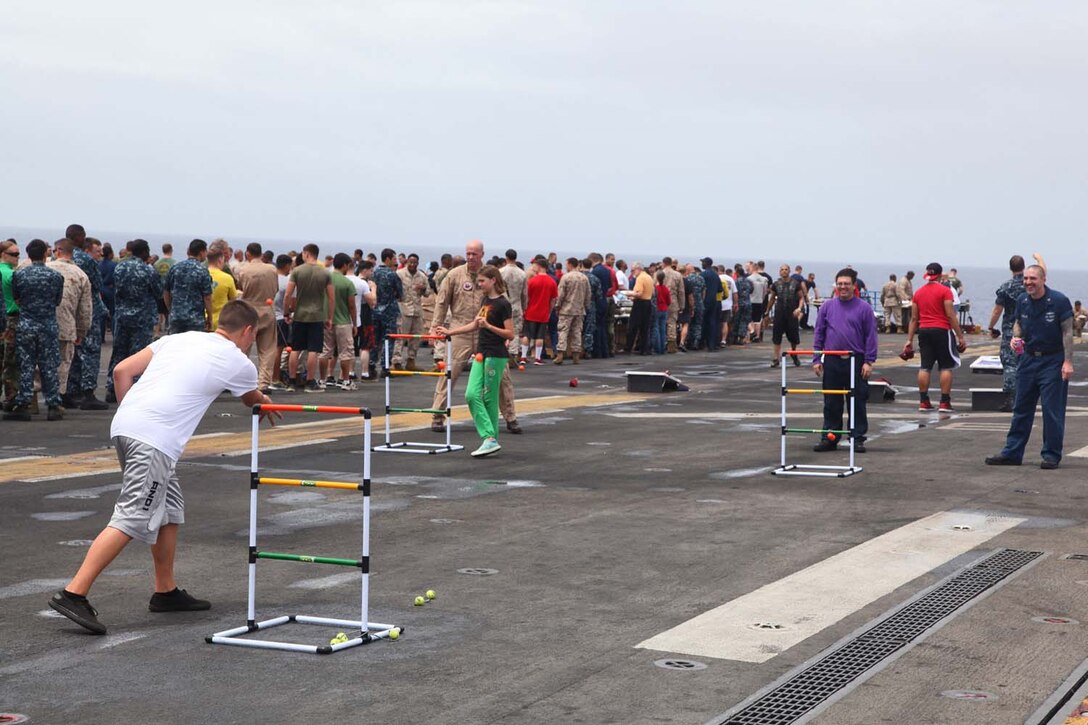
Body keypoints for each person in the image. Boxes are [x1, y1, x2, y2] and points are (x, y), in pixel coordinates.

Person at [47, 300, 278, 634]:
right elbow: (251, 398)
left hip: (126, 426)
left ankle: (165, 591)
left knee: (169, 509)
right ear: (247, 331)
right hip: (153, 440)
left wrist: (138, 414)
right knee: (133, 514)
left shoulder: (177, 338)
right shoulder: (237, 361)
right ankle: (74, 592)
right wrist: (267, 402)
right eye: (252, 337)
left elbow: (121, 371)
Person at [984, 265, 1073, 469]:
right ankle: (1012, 453)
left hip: (1053, 361)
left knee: (1052, 410)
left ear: (1043, 279)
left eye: (1033, 278)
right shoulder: (1023, 300)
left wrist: (1067, 362)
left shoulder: (1059, 301)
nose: (1028, 282)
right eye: (1025, 278)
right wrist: (1016, 337)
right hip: (1028, 360)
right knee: (1021, 408)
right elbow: (1018, 323)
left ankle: (1051, 454)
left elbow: (1067, 333)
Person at [429, 239, 520, 434]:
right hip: (460, 327)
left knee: (502, 376)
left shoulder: (489, 275)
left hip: (487, 332)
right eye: (468, 253)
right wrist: (435, 327)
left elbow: (504, 303)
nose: (470, 257)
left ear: (482, 255)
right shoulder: (454, 275)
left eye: (474, 254)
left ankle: (510, 417)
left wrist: (503, 332)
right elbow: (442, 302)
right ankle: (437, 415)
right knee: (448, 373)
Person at [434, 265, 514, 458]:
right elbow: (475, 324)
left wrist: (488, 326)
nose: (479, 285)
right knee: (472, 394)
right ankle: (489, 438)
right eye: (478, 281)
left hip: (495, 354)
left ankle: (489, 438)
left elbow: (510, 333)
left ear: (493, 280)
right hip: (482, 353)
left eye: (482, 281)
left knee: (489, 398)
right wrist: (449, 331)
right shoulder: (485, 300)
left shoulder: (503, 304)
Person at [812, 268, 878, 453]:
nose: (843, 287)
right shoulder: (827, 306)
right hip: (832, 360)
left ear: (853, 286)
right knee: (831, 402)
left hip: (855, 361)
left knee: (857, 401)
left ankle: (857, 439)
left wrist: (868, 361)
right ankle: (830, 437)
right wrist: (817, 358)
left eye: (846, 284)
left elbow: (871, 337)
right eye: (840, 284)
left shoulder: (864, 308)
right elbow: (819, 333)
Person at [3, 239, 65, 421]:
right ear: (45, 254)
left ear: (28, 255)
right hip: (47, 325)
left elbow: (17, 299)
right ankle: (53, 404)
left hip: (27, 324)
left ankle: (24, 404)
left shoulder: (19, 275)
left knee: (26, 365)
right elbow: (56, 301)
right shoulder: (55, 277)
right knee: (48, 365)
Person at [903, 262, 967, 412]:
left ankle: (924, 401)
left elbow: (913, 319)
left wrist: (909, 340)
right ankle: (944, 402)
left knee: (925, 366)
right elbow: (950, 315)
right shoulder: (945, 291)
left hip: (924, 330)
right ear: (940, 274)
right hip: (942, 330)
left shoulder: (918, 293)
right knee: (945, 366)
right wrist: (960, 336)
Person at [105, 240, 162, 404]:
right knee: (138, 355)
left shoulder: (120, 267)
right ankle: (135, 389)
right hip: (142, 318)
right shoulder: (148, 271)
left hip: (122, 316)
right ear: (144, 252)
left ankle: (112, 388)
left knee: (119, 352)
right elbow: (158, 292)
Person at [66, 226, 111, 410]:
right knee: (91, 352)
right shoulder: (85, 260)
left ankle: (70, 391)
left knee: (73, 352)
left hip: (69, 311)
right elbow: (97, 285)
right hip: (87, 310)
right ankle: (88, 394)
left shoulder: (61, 258)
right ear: (80, 238)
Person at [48, 239, 92, 408]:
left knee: (36, 362)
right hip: (66, 326)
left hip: (41, 323)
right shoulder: (80, 274)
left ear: (57, 250)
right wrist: (81, 332)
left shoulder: (45, 268)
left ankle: (31, 399)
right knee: (63, 363)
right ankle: (57, 399)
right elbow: (85, 309)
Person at [284, 243, 334, 392]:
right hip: (317, 315)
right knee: (314, 350)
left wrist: (287, 312)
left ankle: (291, 381)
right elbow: (331, 298)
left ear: (306, 254)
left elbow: (288, 294)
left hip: (300, 314)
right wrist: (329, 317)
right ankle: (310, 381)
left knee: (295, 348)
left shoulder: (297, 271)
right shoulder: (325, 273)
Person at [234, 243, 279, 393]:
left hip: (249, 309)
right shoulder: (272, 269)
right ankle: (263, 383)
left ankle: (242, 381)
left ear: (248, 254)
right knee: (267, 349)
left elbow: (240, 287)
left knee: (243, 347)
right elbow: (276, 288)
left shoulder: (243, 269)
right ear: (261, 253)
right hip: (267, 309)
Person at [319, 253, 358, 388]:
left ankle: (322, 380)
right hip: (343, 321)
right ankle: (346, 380)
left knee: (325, 351)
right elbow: (351, 306)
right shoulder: (347, 282)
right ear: (345, 265)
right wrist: (354, 323)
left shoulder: (325, 279)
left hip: (326, 320)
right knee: (345, 352)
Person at [164, 239, 213, 334]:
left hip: (176, 317)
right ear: (201, 252)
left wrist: (171, 309)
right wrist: (210, 318)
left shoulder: (175, 268)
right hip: (195, 320)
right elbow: (207, 297)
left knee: (176, 346)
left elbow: (166, 292)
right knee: (193, 347)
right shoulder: (202, 271)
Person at [392, 253, 429, 371]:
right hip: (403, 309)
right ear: (407, 262)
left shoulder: (422, 276)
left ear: (418, 263)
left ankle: (411, 361)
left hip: (417, 310)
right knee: (400, 337)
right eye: (410, 262)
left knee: (416, 337)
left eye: (415, 262)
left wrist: (422, 288)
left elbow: (428, 292)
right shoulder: (399, 274)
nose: (412, 265)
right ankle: (397, 362)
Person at [520, 257, 558, 365]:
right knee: (540, 336)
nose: (533, 268)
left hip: (531, 312)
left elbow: (526, 297)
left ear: (540, 266)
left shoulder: (532, 281)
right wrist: (549, 311)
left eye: (535, 265)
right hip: (543, 313)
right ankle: (537, 358)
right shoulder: (552, 282)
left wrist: (525, 308)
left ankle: (523, 357)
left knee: (527, 335)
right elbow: (553, 299)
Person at [371, 248, 403, 373]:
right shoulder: (392, 274)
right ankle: (385, 367)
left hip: (375, 310)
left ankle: (371, 364)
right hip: (389, 311)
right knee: (388, 339)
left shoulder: (374, 273)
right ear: (388, 259)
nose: (395, 262)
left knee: (375, 340)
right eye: (394, 259)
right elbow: (400, 293)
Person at [554, 257, 591, 364]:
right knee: (577, 332)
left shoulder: (566, 277)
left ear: (570, 264)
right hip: (579, 310)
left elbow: (560, 295)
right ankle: (576, 355)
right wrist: (585, 306)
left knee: (563, 331)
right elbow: (588, 295)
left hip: (567, 309)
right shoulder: (584, 278)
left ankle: (560, 354)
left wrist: (557, 306)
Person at [767, 263, 804, 367]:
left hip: (792, 314)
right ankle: (776, 358)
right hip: (779, 313)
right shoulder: (776, 284)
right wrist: (767, 311)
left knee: (794, 337)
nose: (784, 271)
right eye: (782, 269)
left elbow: (801, 297)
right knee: (777, 336)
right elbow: (772, 298)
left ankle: (794, 353)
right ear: (779, 271)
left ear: (789, 271)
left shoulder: (796, 284)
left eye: (786, 269)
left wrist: (799, 308)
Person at [499, 249, 528, 362]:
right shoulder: (522, 273)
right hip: (516, 306)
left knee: (501, 330)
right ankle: (513, 354)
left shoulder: (500, 272)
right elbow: (524, 293)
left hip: (502, 305)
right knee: (515, 331)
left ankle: (501, 354)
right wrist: (524, 306)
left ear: (506, 257)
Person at [206, 246, 238, 330]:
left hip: (202, 321)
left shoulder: (200, 275)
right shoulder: (227, 278)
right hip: (220, 322)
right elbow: (233, 300)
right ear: (220, 260)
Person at [661, 257, 685, 353]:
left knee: (661, 323)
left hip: (661, 301)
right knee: (672, 323)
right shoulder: (677, 275)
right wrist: (682, 305)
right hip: (673, 301)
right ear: (672, 264)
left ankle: (660, 343)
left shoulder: (659, 274)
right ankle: (671, 345)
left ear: (663, 263)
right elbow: (681, 291)